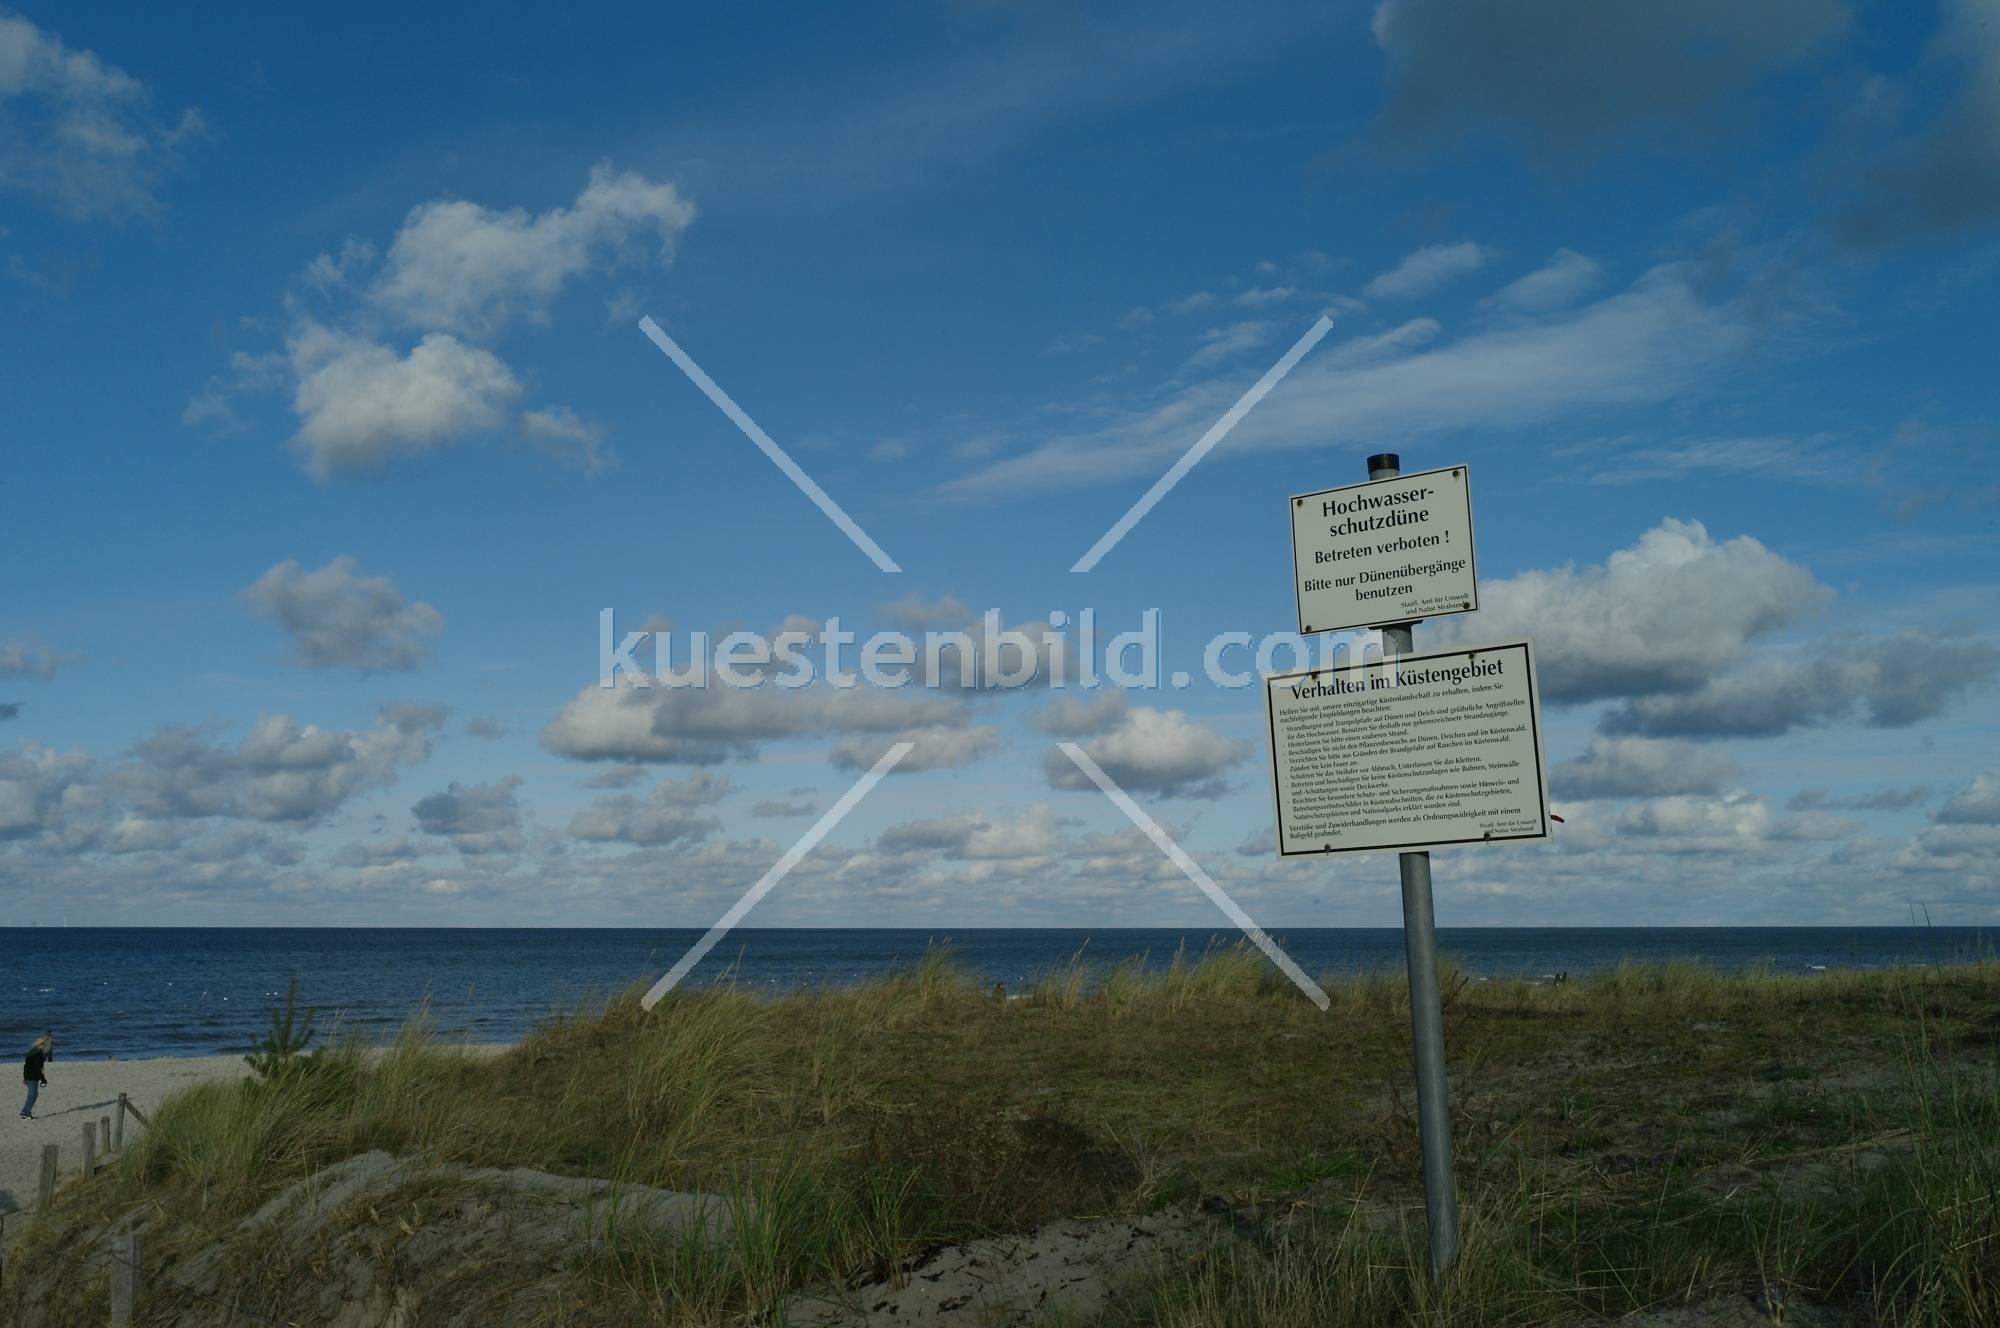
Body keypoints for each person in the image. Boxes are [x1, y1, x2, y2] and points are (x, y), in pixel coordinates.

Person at [21, 1032, 53, 1120]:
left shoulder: (30, 1053)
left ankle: (26, 1112)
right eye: (44, 1044)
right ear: (41, 1045)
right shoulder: (38, 1054)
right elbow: (38, 1069)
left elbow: (26, 1067)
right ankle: (25, 1113)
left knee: (31, 1095)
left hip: (28, 1077)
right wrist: (43, 1079)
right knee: (32, 1096)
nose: (45, 1046)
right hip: (32, 1078)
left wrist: (24, 1078)